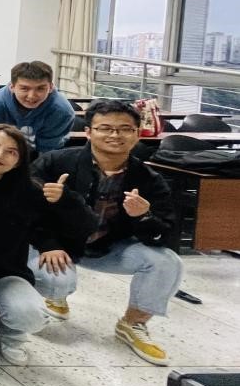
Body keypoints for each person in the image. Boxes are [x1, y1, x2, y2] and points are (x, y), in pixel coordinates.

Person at [29, 99, 182, 365]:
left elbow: (166, 234)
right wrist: (48, 242)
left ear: (137, 134)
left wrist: (143, 217)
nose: (115, 135)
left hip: (107, 247)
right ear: (88, 132)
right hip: (57, 245)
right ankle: (56, 296)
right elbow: (22, 210)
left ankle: (132, 324)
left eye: (125, 129)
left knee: (167, 263)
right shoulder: (57, 162)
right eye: (105, 128)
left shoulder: (148, 178)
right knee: (58, 281)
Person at [0, 125, 92, 366]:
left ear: (19, 161)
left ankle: (12, 335)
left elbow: (54, 225)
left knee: (32, 315)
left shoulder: (28, 190)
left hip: (4, 273)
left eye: (11, 152)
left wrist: (52, 238)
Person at [0, 60, 76, 154]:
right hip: (0, 154)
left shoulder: (62, 111)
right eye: (24, 88)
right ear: (12, 87)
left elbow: (47, 153)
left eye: (40, 88)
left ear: (50, 87)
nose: (31, 96)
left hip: (40, 157)